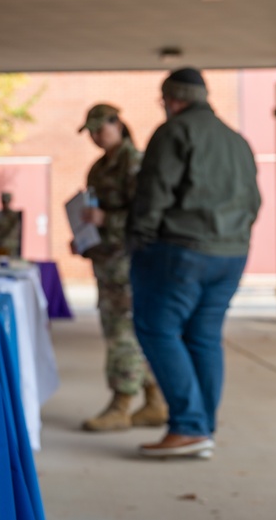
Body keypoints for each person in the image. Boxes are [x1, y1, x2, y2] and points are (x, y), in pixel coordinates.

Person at [128, 67, 260, 459]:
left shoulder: (173, 132)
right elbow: (254, 201)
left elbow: (154, 192)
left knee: (157, 329)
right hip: (231, 254)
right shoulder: (236, 140)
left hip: (181, 250)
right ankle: (202, 428)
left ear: (172, 99)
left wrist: (139, 239)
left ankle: (188, 425)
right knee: (204, 337)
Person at [73, 103, 167, 432]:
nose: (97, 137)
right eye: (92, 132)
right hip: (107, 260)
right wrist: (84, 238)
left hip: (129, 260)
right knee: (124, 330)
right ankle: (155, 400)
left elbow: (148, 216)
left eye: (101, 128)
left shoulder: (134, 163)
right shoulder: (99, 168)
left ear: (118, 124)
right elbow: (92, 212)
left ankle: (122, 404)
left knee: (121, 333)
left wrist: (106, 220)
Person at [0, 192, 22, 257]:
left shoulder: (15, 216)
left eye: (7, 201)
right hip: (1, 248)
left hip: (13, 249)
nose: (5, 204)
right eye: (4, 202)